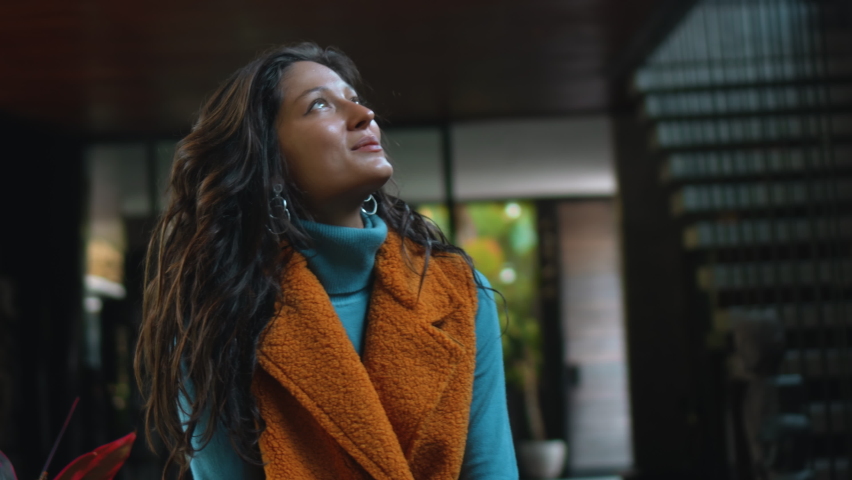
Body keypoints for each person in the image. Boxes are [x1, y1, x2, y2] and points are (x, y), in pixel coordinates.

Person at [134, 42, 518, 480]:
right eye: (320, 105)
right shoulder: (214, 318)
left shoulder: (457, 291)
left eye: (354, 99)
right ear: (270, 164)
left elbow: (490, 470)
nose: (364, 114)